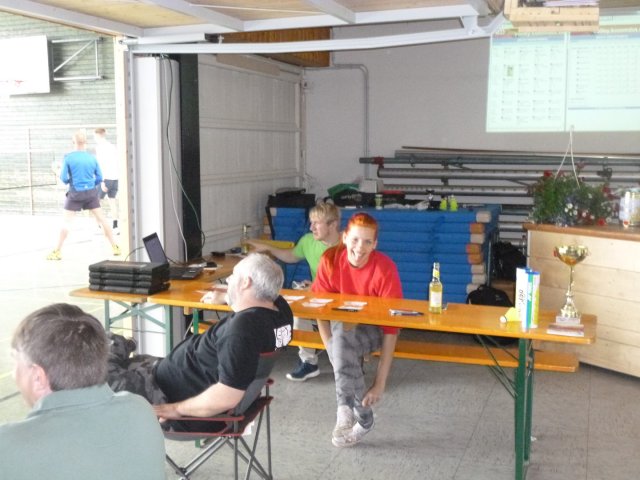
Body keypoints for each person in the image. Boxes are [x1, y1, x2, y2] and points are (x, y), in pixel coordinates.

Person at [107, 253, 293, 432]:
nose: (228, 280)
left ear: (246, 283)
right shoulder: (280, 312)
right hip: (171, 373)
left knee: (96, 366)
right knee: (115, 354)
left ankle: (121, 347)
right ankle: (121, 349)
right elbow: (256, 299)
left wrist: (175, 409)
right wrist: (226, 297)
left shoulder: (241, 332)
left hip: (164, 394)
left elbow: (227, 397)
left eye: (234, 275)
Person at [0, 303, 166, 480]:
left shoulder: (8, 445)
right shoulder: (139, 409)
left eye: (16, 363)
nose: (14, 374)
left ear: (37, 377)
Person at [312, 212, 402, 448]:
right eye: (354, 239)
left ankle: (345, 410)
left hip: (374, 329)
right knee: (341, 340)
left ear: (375, 244)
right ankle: (363, 418)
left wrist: (380, 384)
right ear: (344, 237)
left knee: (342, 342)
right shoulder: (330, 261)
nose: (360, 248)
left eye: (367, 241)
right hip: (341, 328)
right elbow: (320, 310)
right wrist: (330, 349)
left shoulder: (385, 268)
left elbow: (391, 330)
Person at [247, 202, 341, 381]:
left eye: (316, 223)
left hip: (343, 299)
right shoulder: (308, 241)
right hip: (318, 297)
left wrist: (315, 287)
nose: (311, 227)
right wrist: (268, 248)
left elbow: (347, 279)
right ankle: (309, 362)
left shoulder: (348, 244)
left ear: (333, 224)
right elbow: (291, 256)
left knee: (339, 323)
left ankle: (344, 363)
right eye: (311, 222)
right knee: (297, 311)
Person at [46, 129, 120, 260]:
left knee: (66, 222)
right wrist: (91, 184)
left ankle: (57, 251)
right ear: (86, 142)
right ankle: (115, 247)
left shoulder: (68, 158)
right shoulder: (92, 158)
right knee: (102, 219)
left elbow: (64, 179)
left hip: (75, 193)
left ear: (73, 142)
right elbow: (99, 177)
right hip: (91, 193)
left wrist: (65, 178)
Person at [93, 127, 120, 233]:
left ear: (98, 135)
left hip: (106, 178)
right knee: (112, 201)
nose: (94, 138)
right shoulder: (112, 146)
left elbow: (101, 165)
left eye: (94, 136)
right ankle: (115, 226)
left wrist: (102, 181)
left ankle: (99, 226)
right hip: (115, 178)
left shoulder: (100, 148)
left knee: (96, 202)